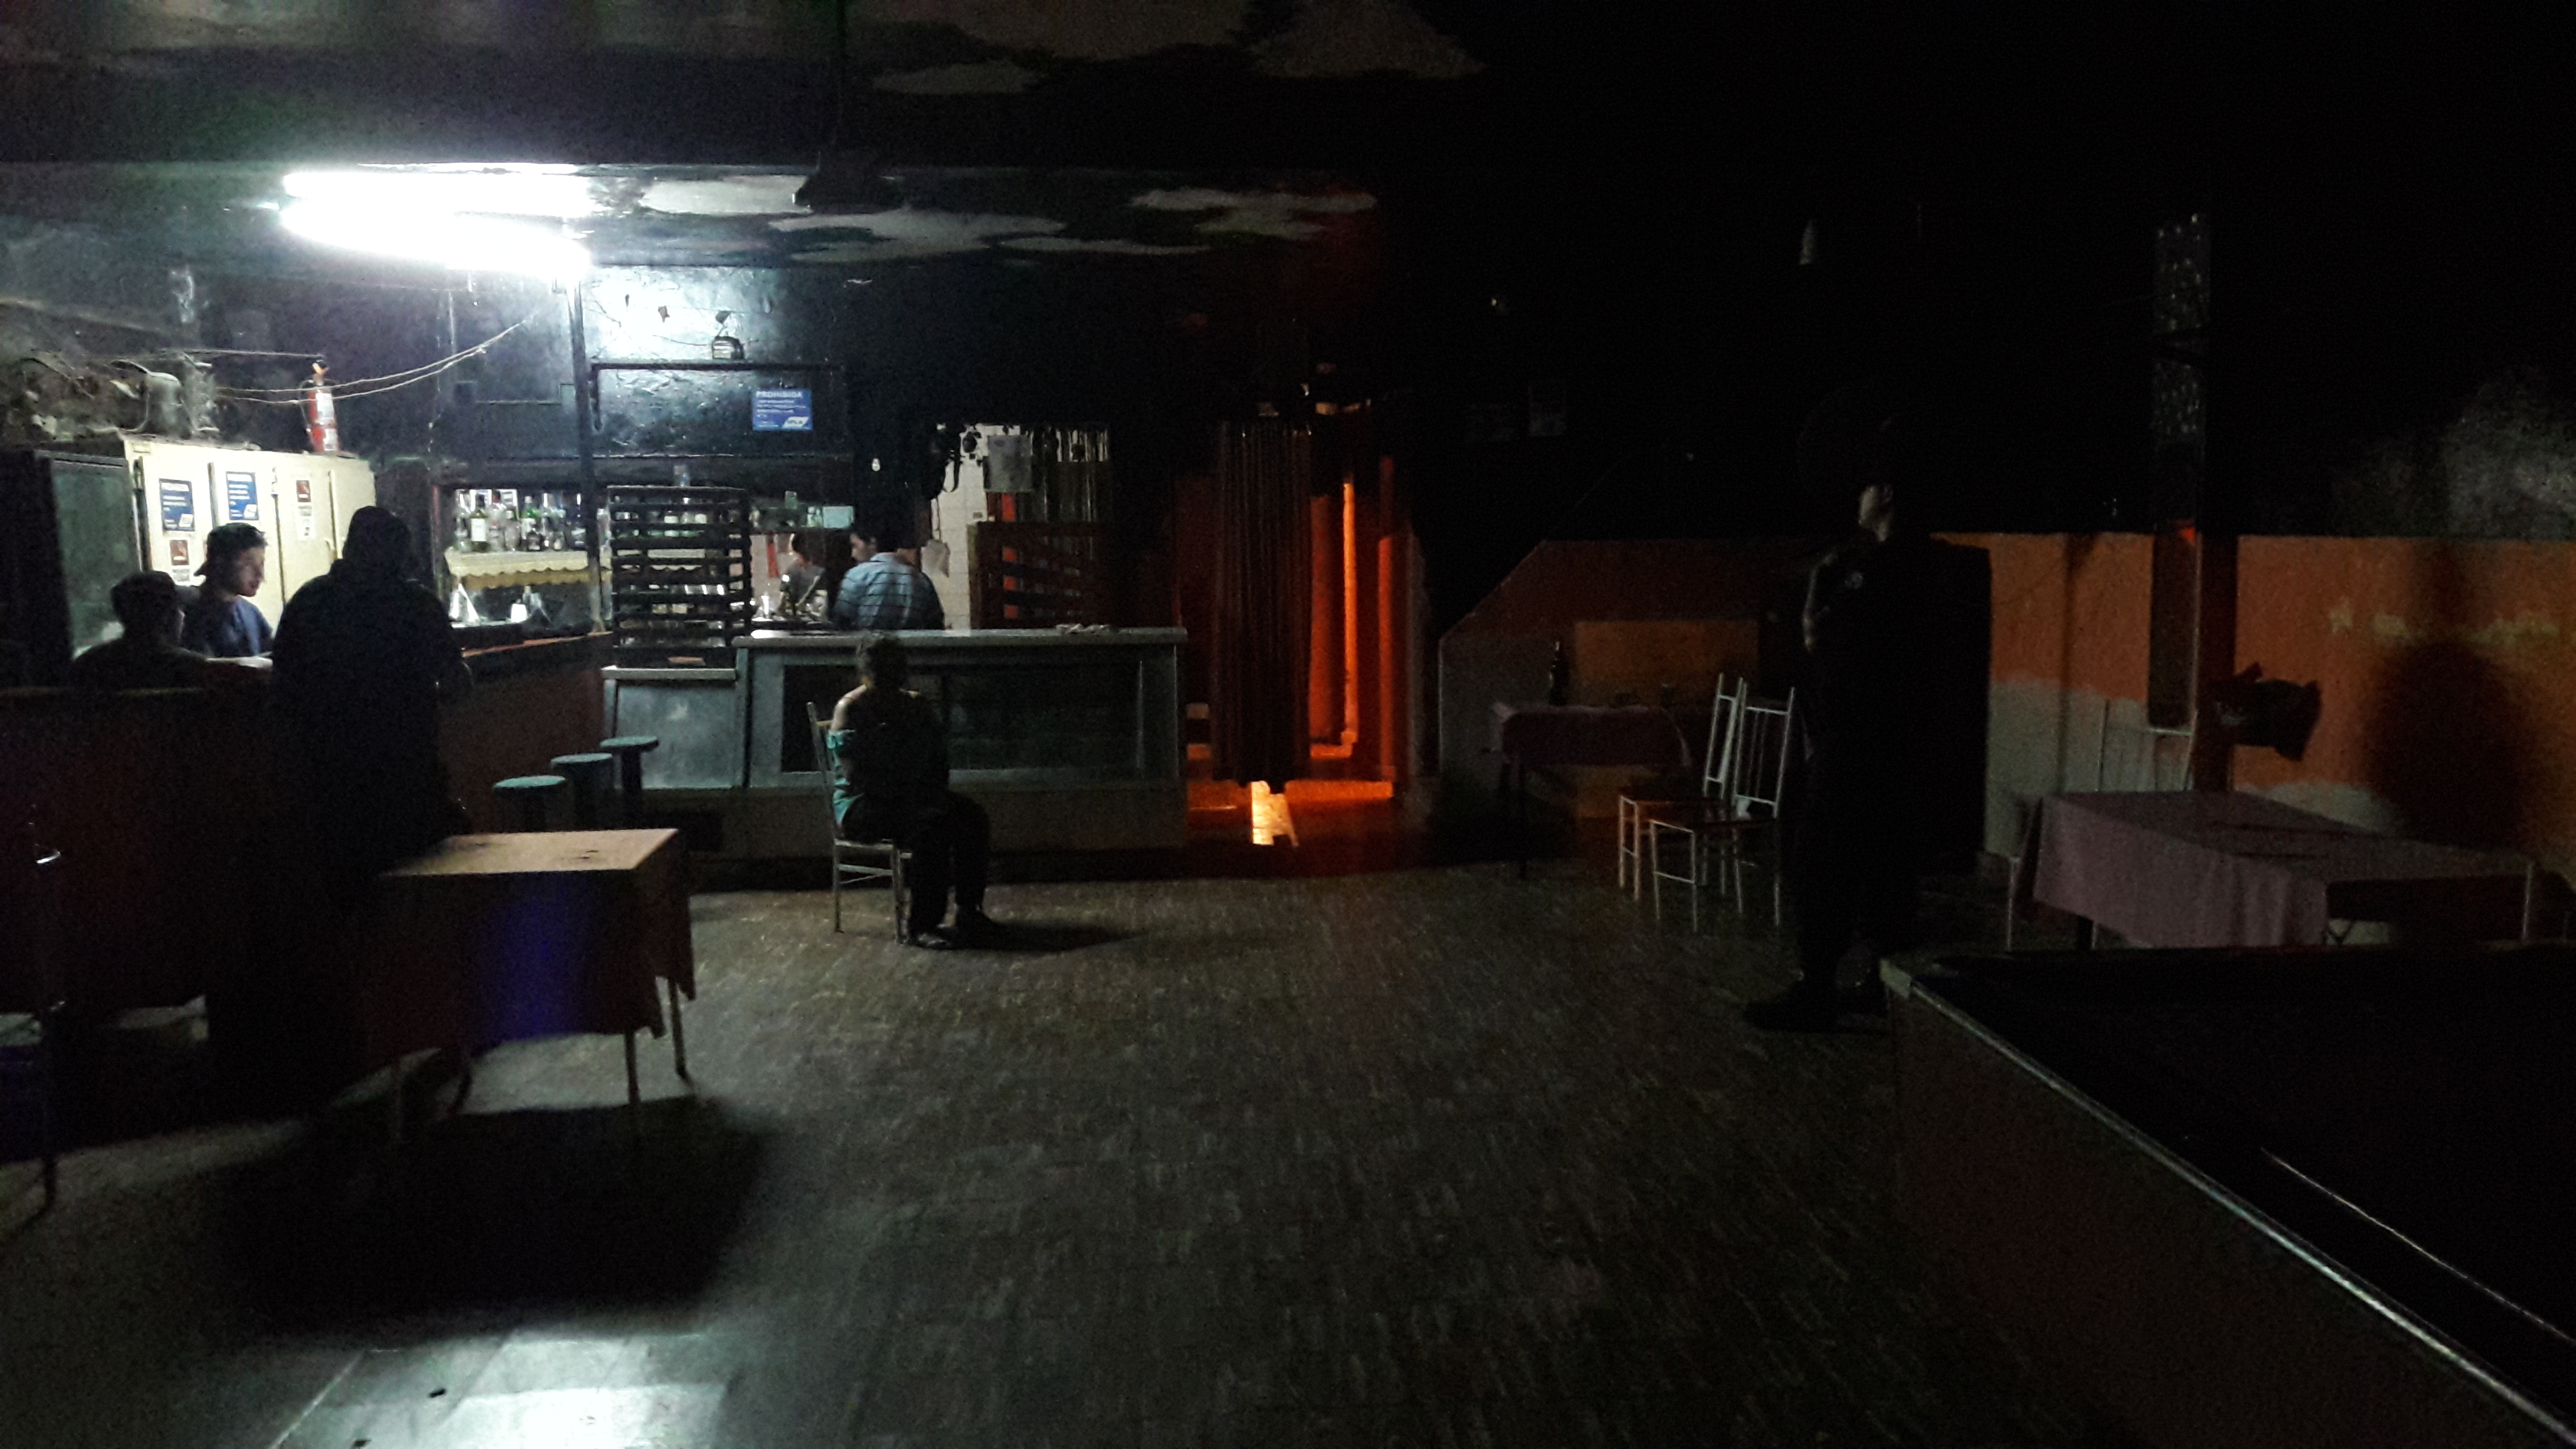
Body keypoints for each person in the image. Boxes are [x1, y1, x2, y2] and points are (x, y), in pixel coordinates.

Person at [1744, 437, 1990, 1032]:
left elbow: (1831, 652)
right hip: (1909, 747)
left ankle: (1816, 988)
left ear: (1885, 496)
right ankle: (1884, 988)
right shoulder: (1937, 568)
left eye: (1865, 487)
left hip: (1857, 745)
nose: (1857, 498)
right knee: (1887, 871)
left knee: (1820, 866)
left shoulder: (1872, 570)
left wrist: (1815, 610)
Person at [271, 507, 473, 892]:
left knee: (346, 883)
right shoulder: (414, 604)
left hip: (327, 773)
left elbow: (283, 689)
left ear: (349, 548)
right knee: (420, 879)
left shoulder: (308, 602)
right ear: (396, 553)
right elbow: (457, 686)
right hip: (406, 766)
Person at [827, 634, 993, 947]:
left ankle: (969, 909)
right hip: (862, 806)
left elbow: (937, 761)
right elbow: (858, 775)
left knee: (972, 816)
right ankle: (922, 926)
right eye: (884, 671)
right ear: (869, 673)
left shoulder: (916, 705)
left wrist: (929, 791)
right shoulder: (852, 709)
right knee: (931, 826)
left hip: (910, 796)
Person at [67, 572, 209, 690]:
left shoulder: (88, 665)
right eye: (179, 609)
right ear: (167, 616)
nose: (183, 616)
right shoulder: (197, 668)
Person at [829, 512, 945, 631]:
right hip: (913, 643)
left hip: (867, 642)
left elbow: (842, 622)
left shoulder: (857, 575)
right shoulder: (922, 580)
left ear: (872, 543)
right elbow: (935, 625)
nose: (853, 554)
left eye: (855, 546)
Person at [180, 522, 274, 658]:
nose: (260, 574)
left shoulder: (251, 613)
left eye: (261, 564)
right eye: (248, 563)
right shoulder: (188, 613)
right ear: (220, 562)